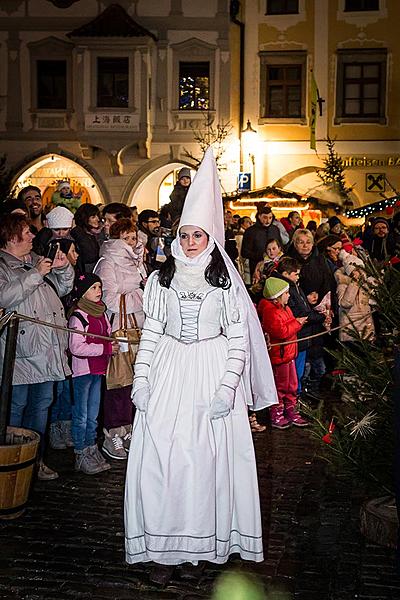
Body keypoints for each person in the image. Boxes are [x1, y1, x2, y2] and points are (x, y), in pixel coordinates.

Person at [124, 148, 277, 582]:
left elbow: (237, 342)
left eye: (199, 236)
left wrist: (228, 388)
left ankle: (200, 547)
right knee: (163, 457)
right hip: (170, 370)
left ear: (211, 240)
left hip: (210, 373)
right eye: (185, 235)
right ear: (176, 238)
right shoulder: (160, 280)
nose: (191, 243)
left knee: (206, 461)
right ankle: (164, 550)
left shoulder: (225, 284)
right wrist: (142, 381)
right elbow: (152, 332)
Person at [0, 213, 74, 480]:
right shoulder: (3, 266)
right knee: (15, 408)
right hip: (18, 352)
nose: (33, 235)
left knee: (42, 404)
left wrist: (63, 267)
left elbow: (63, 289)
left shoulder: (35, 261)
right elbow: (5, 297)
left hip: (46, 347)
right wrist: (34, 275)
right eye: (26, 232)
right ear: (10, 237)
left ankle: (36, 460)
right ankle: (11, 463)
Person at [94, 219, 145, 459]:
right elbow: (109, 299)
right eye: (126, 238)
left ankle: (130, 429)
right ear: (116, 240)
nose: (132, 242)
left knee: (135, 380)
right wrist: (139, 297)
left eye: (134, 238)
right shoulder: (107, 262)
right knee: (118, 381)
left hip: (138, 326)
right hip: (118, 328)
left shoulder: (136, 260)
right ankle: (113, 432)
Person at [68, 273, 118, 474]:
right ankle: (81, 452)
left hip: (98, 370)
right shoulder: (78, 317)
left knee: (93, 414)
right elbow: (76, 347)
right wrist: (105, 349)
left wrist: (111, 345)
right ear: (83, 292)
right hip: (83, 371)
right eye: (93, 288)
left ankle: (91, 447)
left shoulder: (102, 313)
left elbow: (106, 335)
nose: (98, 291)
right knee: (81, 414)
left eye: (99, 287)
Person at [258, 277, 308, 429]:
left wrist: (295, 322)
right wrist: (297, 323)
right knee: (280, 386)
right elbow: (281, 332)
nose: (289, 295)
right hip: (279, 356)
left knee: (292, 384)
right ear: (277, 296)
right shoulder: (270, 311)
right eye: (286, 293)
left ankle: (290, 409)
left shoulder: (285, 308)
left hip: (289, 354)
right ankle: (276, 412)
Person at [241, 205, 282, 279]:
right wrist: (262, 256)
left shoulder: (275, 229)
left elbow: (281, 246)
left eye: (270, 218)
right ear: (259, 216)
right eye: (265, 217)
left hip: (275, 267)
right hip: (257, 269)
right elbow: (244, 252)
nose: (268, 221)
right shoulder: (250, 231)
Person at [71, 204, 102, 274]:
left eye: (97, 216)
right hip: (84, 274)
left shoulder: (97, 233)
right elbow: (90, 255)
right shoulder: (77, 234)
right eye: (93, 217)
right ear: (84, 218)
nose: (98, 219)